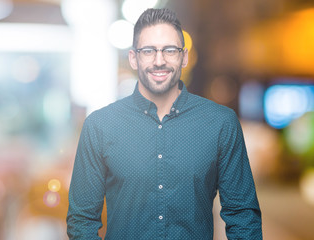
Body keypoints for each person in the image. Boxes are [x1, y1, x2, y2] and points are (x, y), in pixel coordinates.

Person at [66, 8, 262, 240]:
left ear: (184, 57)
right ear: (133, 58)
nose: (159, 61)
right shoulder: (99, 126)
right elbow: (82, 221)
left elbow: (243, 217)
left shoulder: (220, 123)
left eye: (169, 50)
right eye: (148, 51)